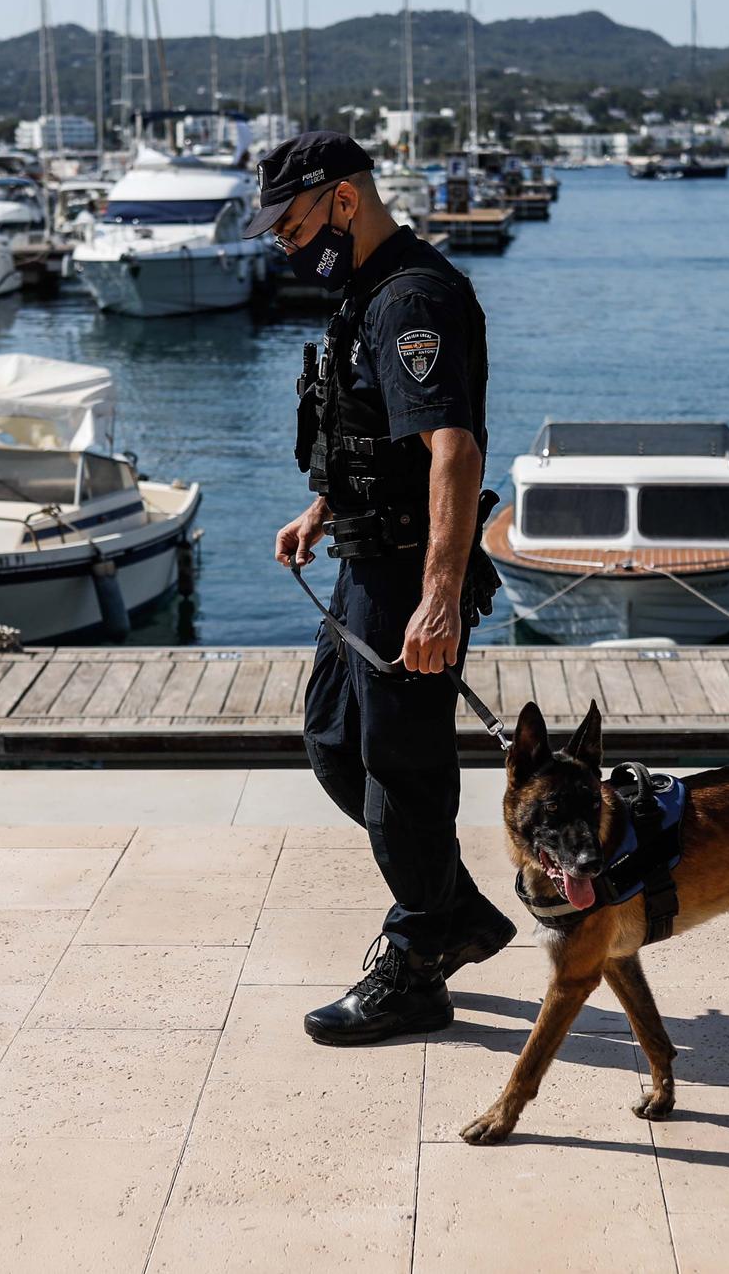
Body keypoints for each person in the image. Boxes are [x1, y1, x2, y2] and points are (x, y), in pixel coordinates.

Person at [250, 131, 516, 1046]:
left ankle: (415, 969)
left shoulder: (415, 296)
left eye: (289, 224)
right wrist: (321, 506)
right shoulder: (366, 288)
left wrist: (437, 597)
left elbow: (454, 448)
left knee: (401, 772)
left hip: (408, 573)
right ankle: (459, 914)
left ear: (345, 201)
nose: (283, 243)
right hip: (362, 558)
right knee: (334, 744)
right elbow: (373, 428)